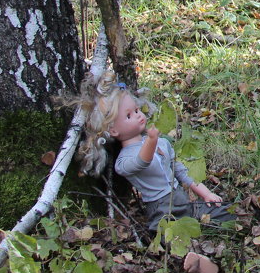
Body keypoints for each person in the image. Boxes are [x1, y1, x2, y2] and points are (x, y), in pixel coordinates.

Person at [73, 73, 235, 233]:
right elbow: (141, 162)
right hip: (161, 208)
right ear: (113, 130)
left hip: (182, 199)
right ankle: (186, 251)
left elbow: (178, 169)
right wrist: (151, 141)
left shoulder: (161, 143)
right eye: (129, 115)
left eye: (137, 110)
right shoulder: (124, 160)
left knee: (226, 213)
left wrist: (205, 193)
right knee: (165, 231)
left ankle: (203, 227)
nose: (138, 116)